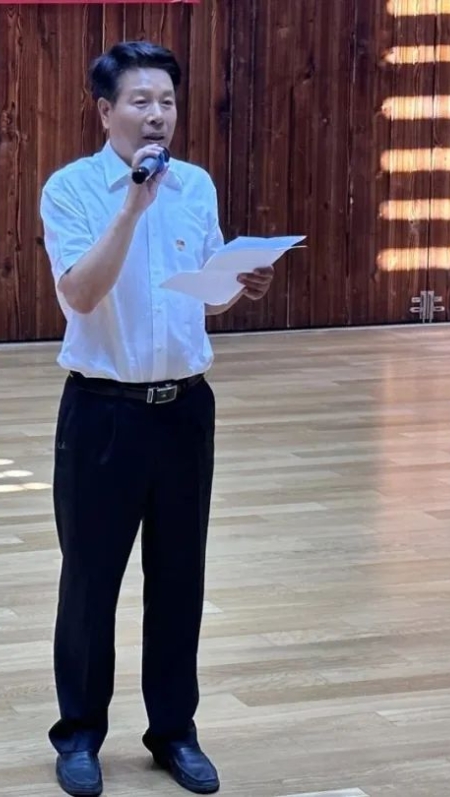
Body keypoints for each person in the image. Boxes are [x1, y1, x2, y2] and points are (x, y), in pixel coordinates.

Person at [38, 40, 273, 797]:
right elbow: (81, 293)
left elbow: (203, 293)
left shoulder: (195, 185)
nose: (157, 115)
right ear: (105, 111)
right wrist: (132, 207)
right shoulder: (72, 189)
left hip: (184, 412)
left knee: (179, 579)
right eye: (140, 101)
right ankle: (79, 735)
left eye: (167, 101)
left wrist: (237, 284)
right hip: (103, 413)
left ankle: (175, 731)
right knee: (90, 581)